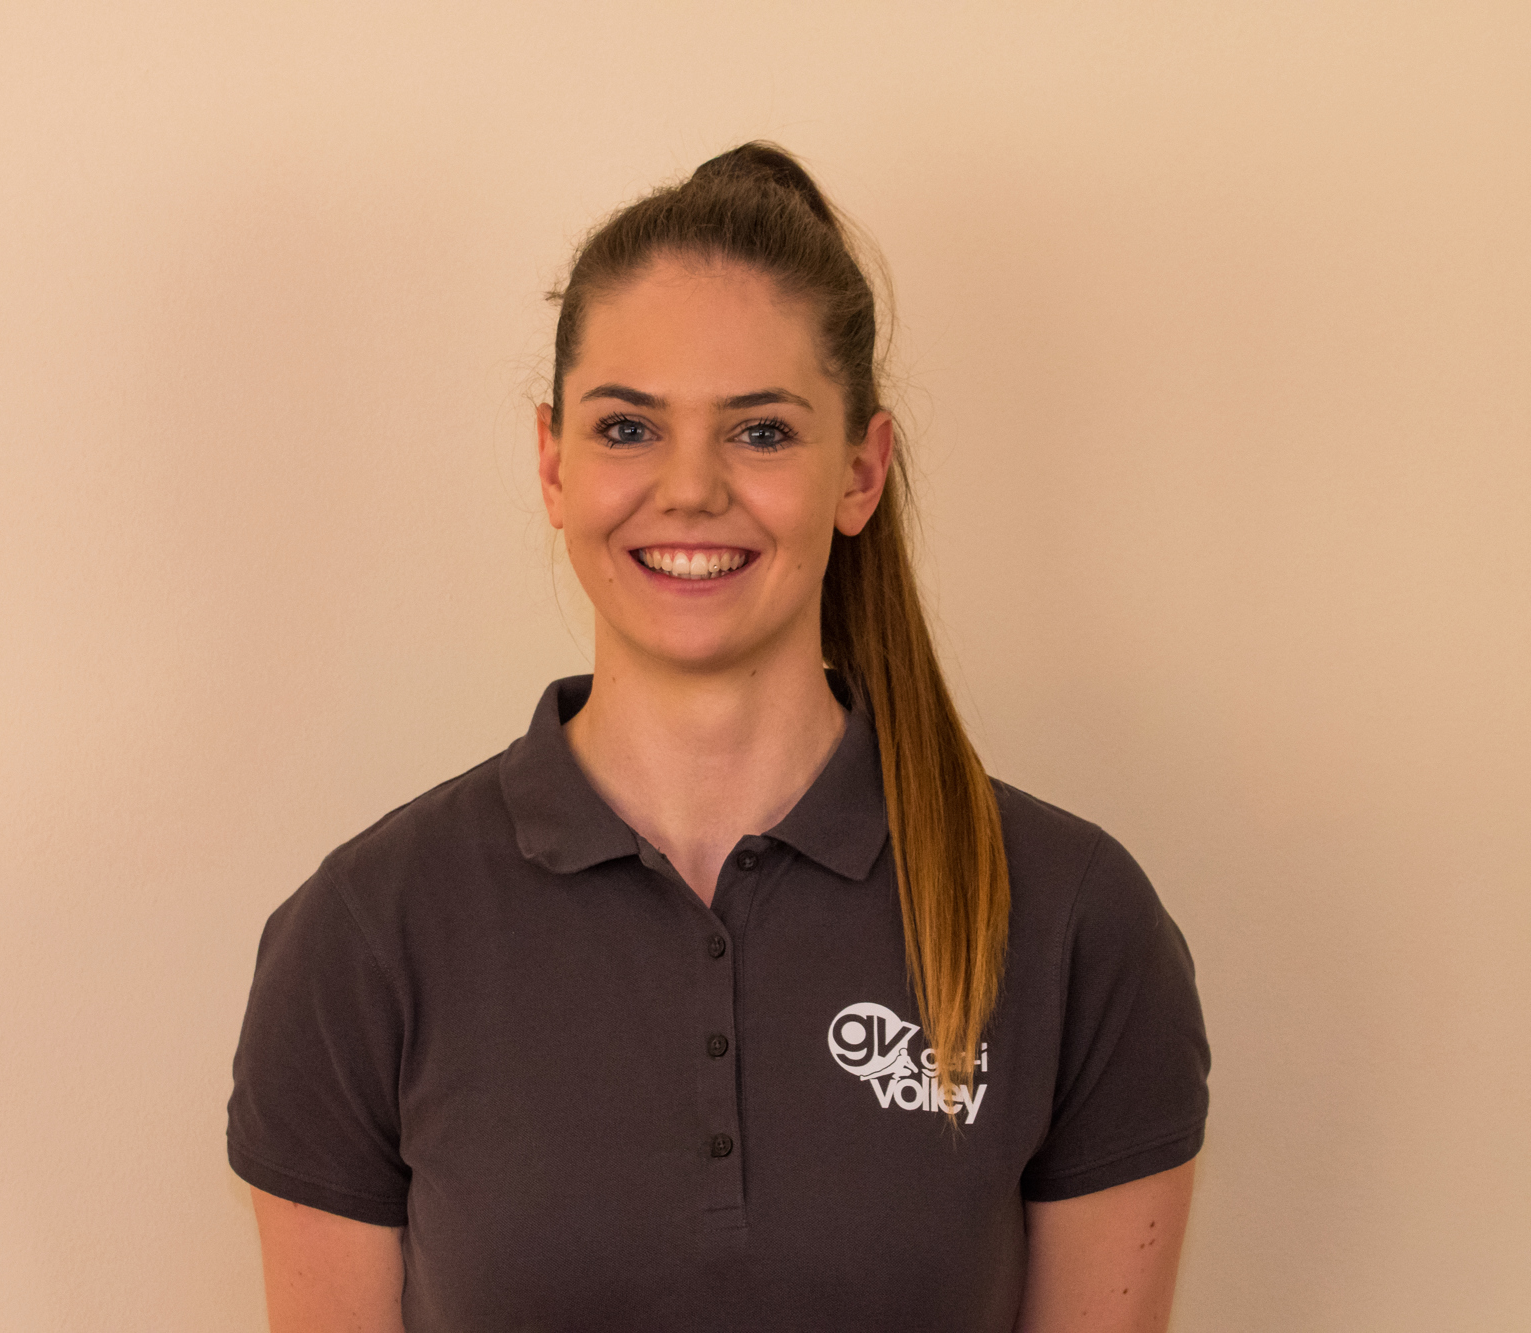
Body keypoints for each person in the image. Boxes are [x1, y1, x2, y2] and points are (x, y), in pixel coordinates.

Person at [227, 143, 1209, 1332]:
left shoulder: (1071, 920)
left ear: (860, 472)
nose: (688, 488)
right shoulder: (364, 935)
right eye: (626, 428)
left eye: (760, 433)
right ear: (551, 462)